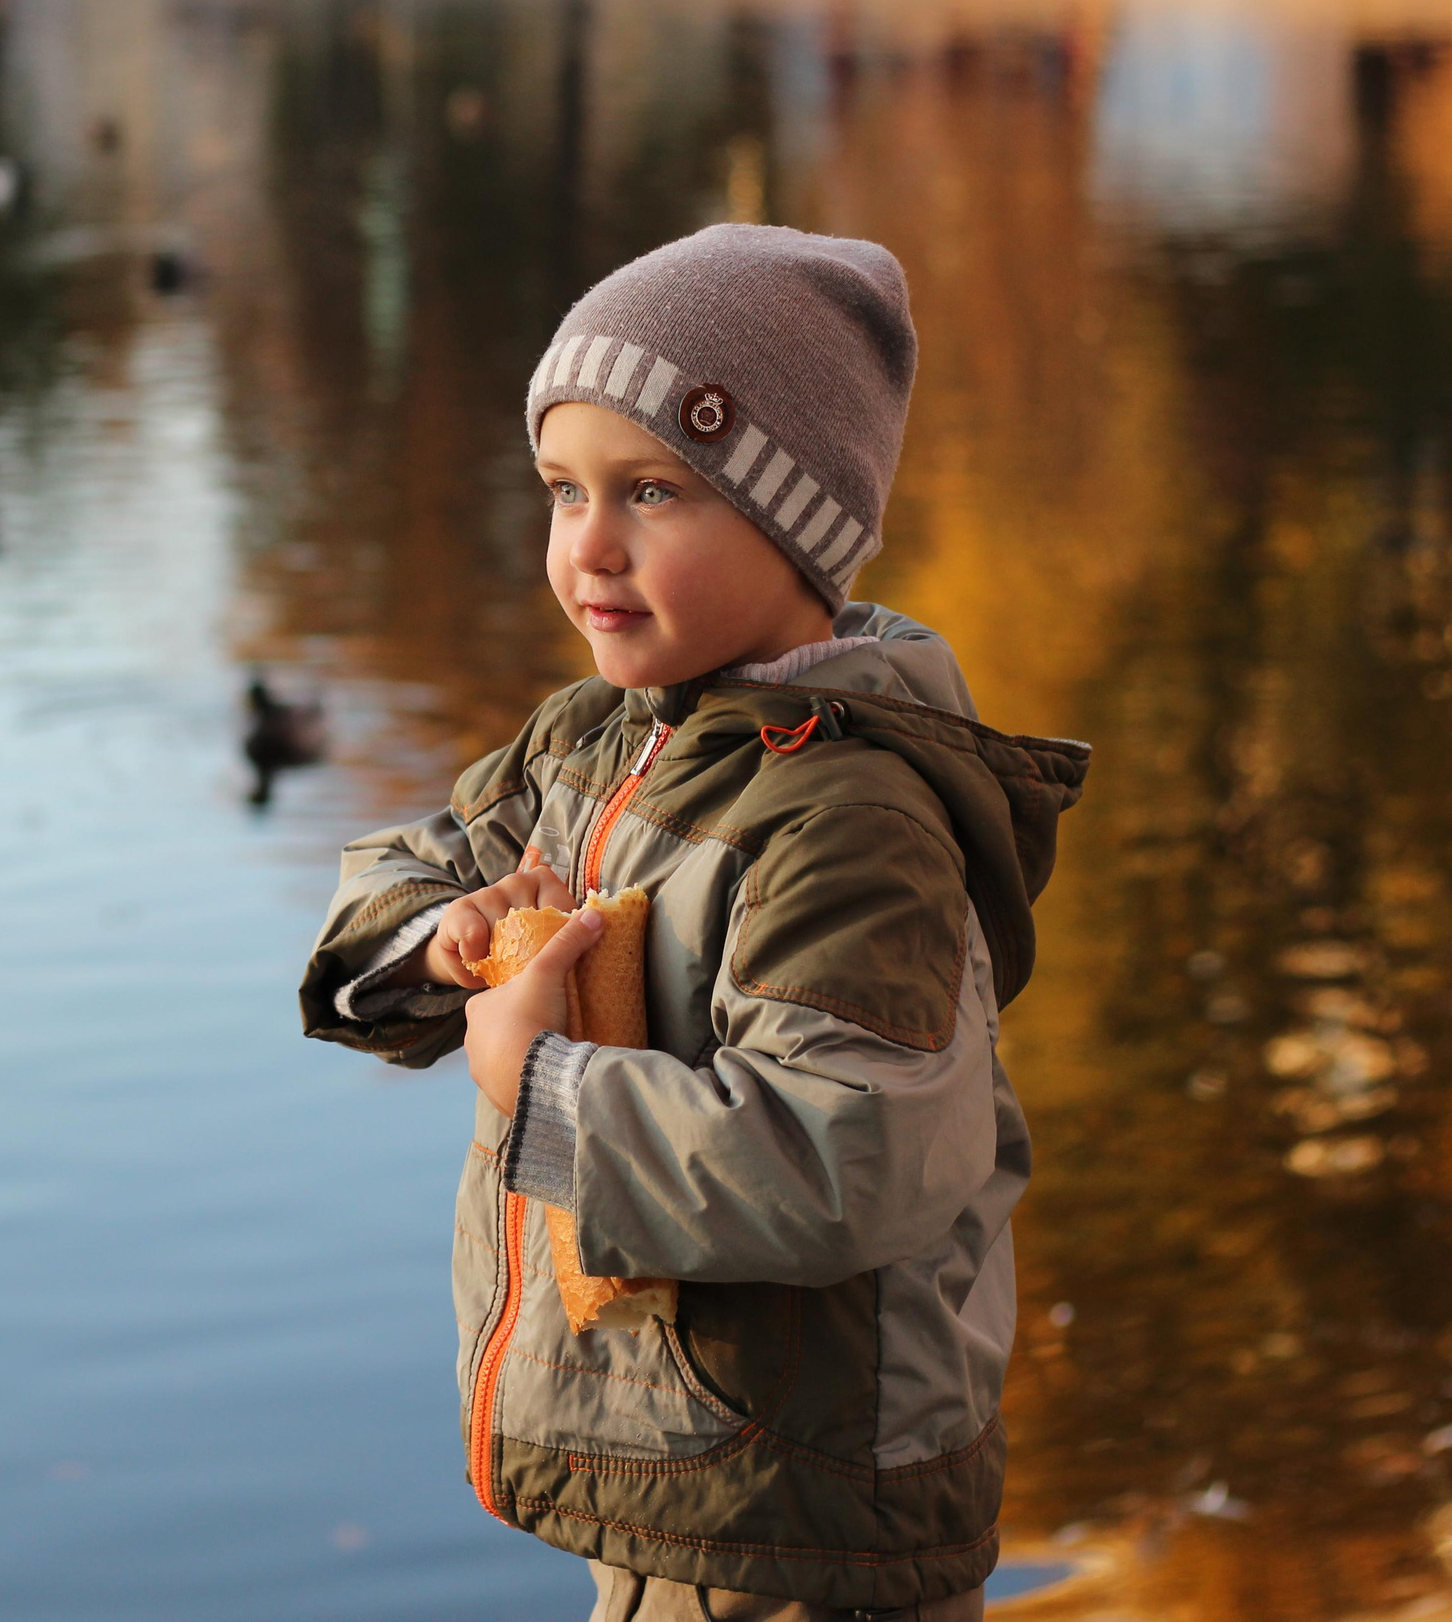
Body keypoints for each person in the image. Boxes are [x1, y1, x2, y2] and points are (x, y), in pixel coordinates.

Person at [298, 225, 1090, 1622]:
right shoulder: (596, 741)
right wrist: (445, 937)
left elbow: (849, 1157)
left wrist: (540, 1085)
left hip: (806, 1520)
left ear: (796, 525)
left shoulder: (850, 822)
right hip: (682, 1480)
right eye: (563, 490)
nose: (589, 546)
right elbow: (398, 871)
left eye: (652, 492)